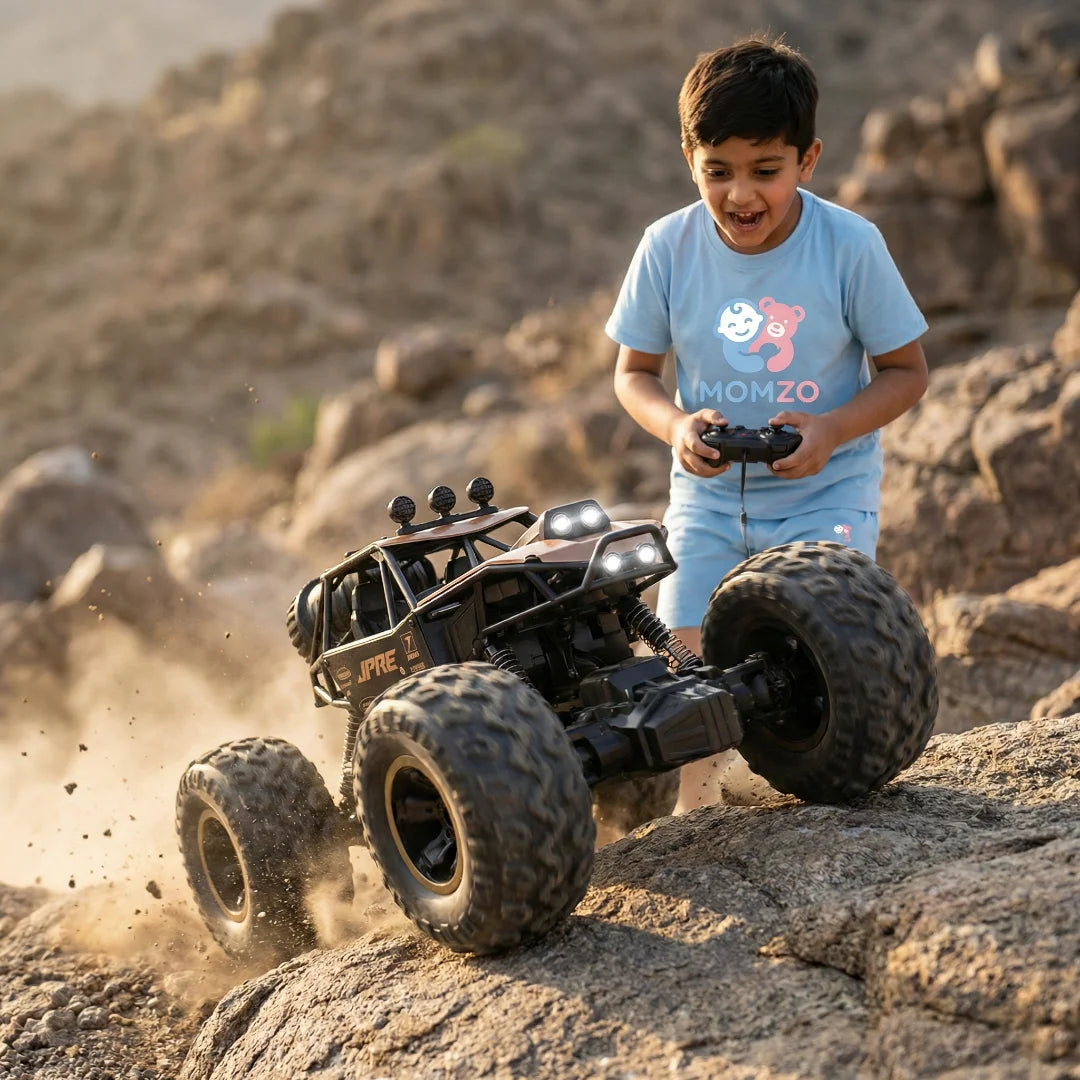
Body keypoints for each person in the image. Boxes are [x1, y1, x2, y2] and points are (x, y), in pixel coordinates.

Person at [605, 35, 929, 812]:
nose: (740, 194)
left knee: (824, 659)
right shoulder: (667, 248)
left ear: (807, 160)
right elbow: (634, 375)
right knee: (686, 666)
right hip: (709, 502)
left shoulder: (850, 246)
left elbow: (907, 372)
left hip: (826, 500)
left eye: (765, 171)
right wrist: (679, 426)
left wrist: (828, 430)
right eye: (718, 171)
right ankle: (700, 806)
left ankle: (823, 797)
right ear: (690, 159)